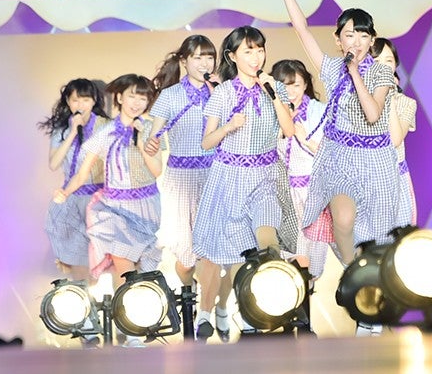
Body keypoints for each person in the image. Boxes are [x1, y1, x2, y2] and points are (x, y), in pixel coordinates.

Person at [274, 0, 407, 267]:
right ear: (338, 40)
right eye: (350, 35)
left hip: (376, 161)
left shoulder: (381, 73)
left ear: (372, 40)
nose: (357, 41)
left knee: (378, 240)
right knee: (343, 222)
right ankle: (352, 274)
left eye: (363, 35)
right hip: (339, 159)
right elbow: (302, 30)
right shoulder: (331, 68)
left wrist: (356, 73)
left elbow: (373, 114)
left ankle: (372, 280)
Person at [191, 26, 297, 340]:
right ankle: (221, 313)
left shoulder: (274, 87)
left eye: (259, 50)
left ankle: (266, 307)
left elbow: (289, 130)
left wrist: (274, 93)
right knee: (227, 255)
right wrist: (228, 127)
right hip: (230, 179)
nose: (256, 57)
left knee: (268, 243)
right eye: (248, 51)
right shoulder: (223, 93)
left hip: (265, 176)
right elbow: (206, 142)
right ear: (232, 56)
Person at [143, 35, 232, 342]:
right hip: (180, 179)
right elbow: (153, 134)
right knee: (186, 260)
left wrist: (219, 92)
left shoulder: (223, 91)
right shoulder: (169, 96)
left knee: (215, 254)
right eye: (197, 57)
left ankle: (213, 310)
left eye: (209, 57)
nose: (205, 63)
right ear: (184, 61)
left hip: (215, 175)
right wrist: (151, 142)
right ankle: (189, 291)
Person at [54, 74, 162, 292]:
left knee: (142, 272)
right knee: (124, 266)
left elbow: (157, 170)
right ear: (120, 98)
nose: (137, 103)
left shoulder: (151, 129)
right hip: (114, 208)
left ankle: (132, 309)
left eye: (142, 98)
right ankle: (124, 308)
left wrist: (141, 141)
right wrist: (65, 193)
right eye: (132, 96)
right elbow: (82, 173)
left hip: (145, 206)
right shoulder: (105, 133)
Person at [38, 78, 110, 282]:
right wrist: (71, 133)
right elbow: (54, 164)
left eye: (85, 100)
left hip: (99, 197)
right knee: (78, 258)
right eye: (75, 100)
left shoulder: (105, 126)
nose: (80, 105)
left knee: (101, 257)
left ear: (94, 100)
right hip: (71, 197)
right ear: (68, 102)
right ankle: (82, 294)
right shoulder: (61, 130)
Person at [271, 59, 329, 281]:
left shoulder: (320, 112)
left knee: (312, 262)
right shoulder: (270, 114)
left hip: (313, 190)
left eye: (296, 85)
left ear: (305, 84)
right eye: (285, 86)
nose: (291, 92)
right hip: (283, 193)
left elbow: (330, 155)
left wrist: (304, 138)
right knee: (287, 256)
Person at [371, 38, 418, 225]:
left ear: (395, 65)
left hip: (395, 179)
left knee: (397, 237)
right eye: (376, 61)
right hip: (366, 179)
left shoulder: (406, 103)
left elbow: (396, 139)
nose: (383, 66)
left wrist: (388, 97)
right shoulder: (358, 100)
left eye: (388, 61)